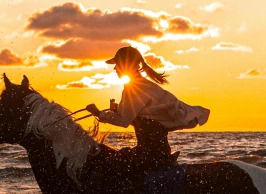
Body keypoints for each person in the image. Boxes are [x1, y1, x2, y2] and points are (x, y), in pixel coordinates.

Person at [85, 46, 210, 177]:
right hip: (158, 153)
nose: (115, 68)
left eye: (117, 64)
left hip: (148, 155)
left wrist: (98, 113)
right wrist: (117, 110)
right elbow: (143, 118)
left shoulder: (134, 87)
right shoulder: (145, 86)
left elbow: (123, 121)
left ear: (125, 64)